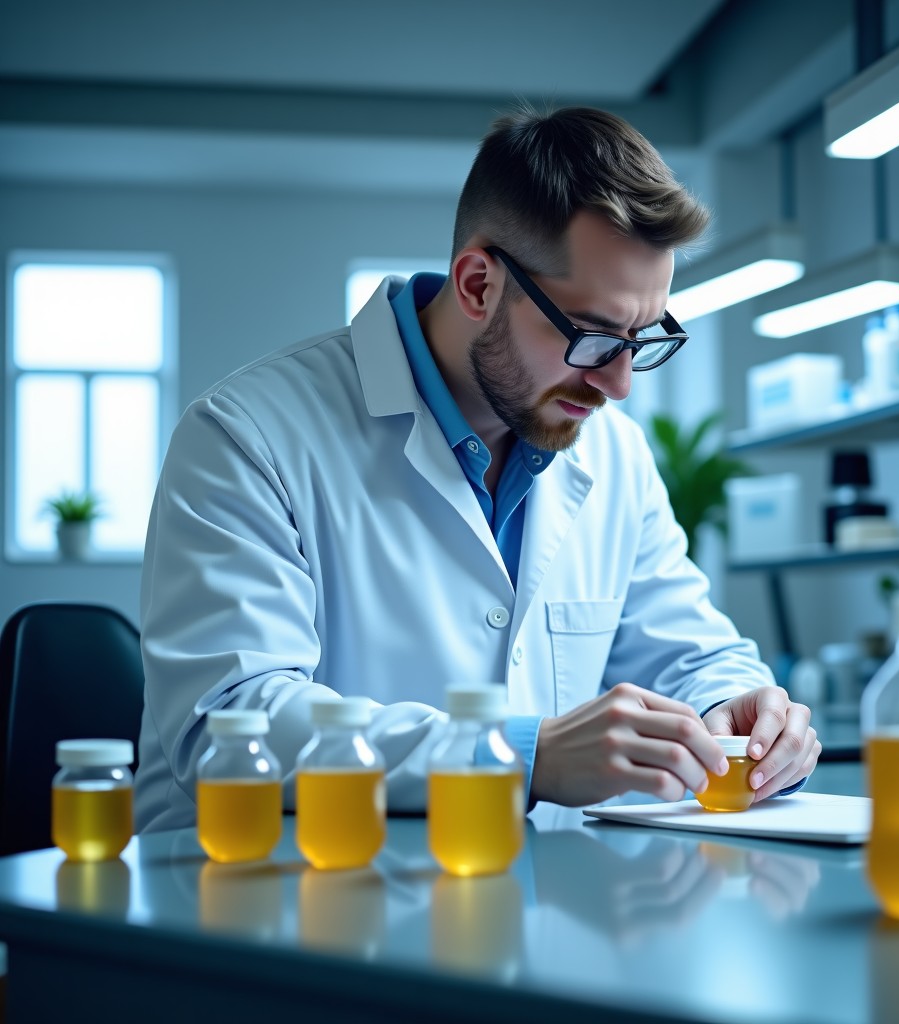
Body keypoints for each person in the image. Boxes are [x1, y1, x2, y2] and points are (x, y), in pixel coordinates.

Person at [135, 105, 819, 832]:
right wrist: (518, 756)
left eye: (640, 338)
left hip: (531, 905)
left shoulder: (613, 454)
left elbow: (690, 651)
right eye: (591, 337)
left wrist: (742, 706)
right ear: (476, 285)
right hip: (277, 904)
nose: (620, 384)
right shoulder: (248, 436)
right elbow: (228, 724)